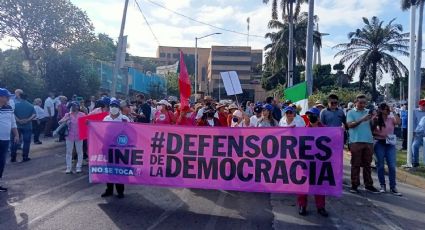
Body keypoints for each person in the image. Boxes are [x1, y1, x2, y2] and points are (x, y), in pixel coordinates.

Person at [297, 107, 328, 217]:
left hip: (320, 162)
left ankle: (321, 207)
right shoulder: (304, 129)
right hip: (306, 162)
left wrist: (340, 131)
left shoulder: (326, 129)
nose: (311, 117)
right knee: (303, 185)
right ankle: (302, 205)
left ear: (318, 117)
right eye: (309, 115)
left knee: (319, 185)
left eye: (313, 115)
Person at [346, 94, 379, 194]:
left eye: (364, 103)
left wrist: (374, 121)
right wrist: (362, 120)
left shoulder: (368, 112)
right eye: (360, 102)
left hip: (368, 141)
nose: (362, 104)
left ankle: (368, 184)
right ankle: (354, 185)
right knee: (355, 164)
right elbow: (350, 125)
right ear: (356, 102)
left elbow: (373, 128)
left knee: (367, 164)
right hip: (355, 141)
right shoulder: (351, 112)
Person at [101, 100, 130, 199]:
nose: (113, 108)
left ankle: (120, 191)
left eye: (115, 106)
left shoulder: (124, 118)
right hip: (108, 147)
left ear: (119, 108)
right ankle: (109, 190)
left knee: (119, 170)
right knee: (109, 169)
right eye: (112, 106)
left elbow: (131, 131)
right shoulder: (106, 118)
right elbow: (101, 131)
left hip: (120, 148)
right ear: (109, 107)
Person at [372, 103, 402, 196]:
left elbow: (398, 122)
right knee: (380, 165)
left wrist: (394, 111)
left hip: (390, 144)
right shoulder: (376, 119)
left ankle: (393, 187)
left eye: (388, 109)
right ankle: (382, 185)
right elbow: (372, 131)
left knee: (392, 166)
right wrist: (381, 136)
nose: (387, 111)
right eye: (386, 109)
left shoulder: (391, 118)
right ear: (381, 110)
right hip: (379, 143)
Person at [0, 88, 19, 192]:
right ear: (1, 97)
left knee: (2, 162)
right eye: (6, 96)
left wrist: (16, 135)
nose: (8, 98)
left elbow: (13, 123)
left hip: (5, 139)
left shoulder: (9, 108)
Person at [58, 102, 85, 174]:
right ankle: (68, 167)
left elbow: (87, 123)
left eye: (75, 106)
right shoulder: (68, 115)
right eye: (72, 106)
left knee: (79, 151)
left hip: (79, 135)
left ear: (78, 106)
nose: (73, 107)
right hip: (69, 136)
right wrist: (64, 121)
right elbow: (60, 122)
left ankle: (78, 167)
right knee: (69, 152)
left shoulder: (82, 114)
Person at [11, 94, 36, 163]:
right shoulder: (31, 106)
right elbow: (34, 115)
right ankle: (25, 157)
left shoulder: (16, 105)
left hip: (17, 126)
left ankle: (13, 157)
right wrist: (27, 120)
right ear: (26, 98)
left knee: (15, 140)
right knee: (26, 142)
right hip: (27, 126)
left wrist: (18, 120)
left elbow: (12, 114)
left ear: (20, 98)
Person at [411, 99, 425, 168]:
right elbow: (413, 122)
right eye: (423, 106)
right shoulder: (415, 111)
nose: (424, 107)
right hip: (419, 132)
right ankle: (415, 162)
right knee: (414, 146)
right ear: (420, 105)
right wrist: (413, 131)